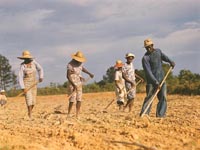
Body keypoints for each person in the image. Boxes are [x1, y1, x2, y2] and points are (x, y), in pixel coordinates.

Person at [139, 38, 175, 118]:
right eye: (146, 47)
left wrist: (171, 61)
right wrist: (155, 82)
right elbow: (148, 72)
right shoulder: (145, 58)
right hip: (151, 82)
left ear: (152, 45)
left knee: (163, 98)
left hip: (162, 79)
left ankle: (160, 115)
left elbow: (164, 57)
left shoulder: (158, 51)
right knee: (149, 98)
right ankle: (144, 114)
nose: (148, 48)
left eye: (149, 46)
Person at [67, 51, 94, 118]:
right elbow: (68, 76)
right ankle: (69, 113)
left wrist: (89, 73)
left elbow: (82, 69)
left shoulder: (80, 63)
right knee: (72, 99)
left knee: (79, 99)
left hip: (79, 83)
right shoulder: (70, 65)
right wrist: (73, 85)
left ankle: (77, 114)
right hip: (72, 83)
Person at [18, 50, 44, 119]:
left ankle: (29, 112)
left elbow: (40, 69)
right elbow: (20, 77)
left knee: (33, 101)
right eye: (25, 58)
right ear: (23, 59)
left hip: (34, 83)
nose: (27, 59)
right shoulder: (22, 66)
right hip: (26, 83)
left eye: (28, 58)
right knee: (28, 99)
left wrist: (41, 77)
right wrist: (23, 88)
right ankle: (30, 115)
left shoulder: (34, 63)